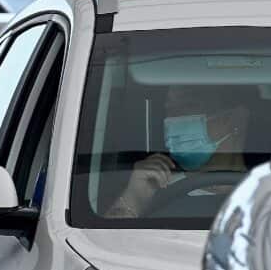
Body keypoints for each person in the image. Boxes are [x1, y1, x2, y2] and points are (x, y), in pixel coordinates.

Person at [107, 85, 252, 219]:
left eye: (190, 106)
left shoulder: (268, 188)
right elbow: (106, 242)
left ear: (234, 119)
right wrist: (134, 198)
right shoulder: (155, 185)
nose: (174, 120)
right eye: (170, 110)